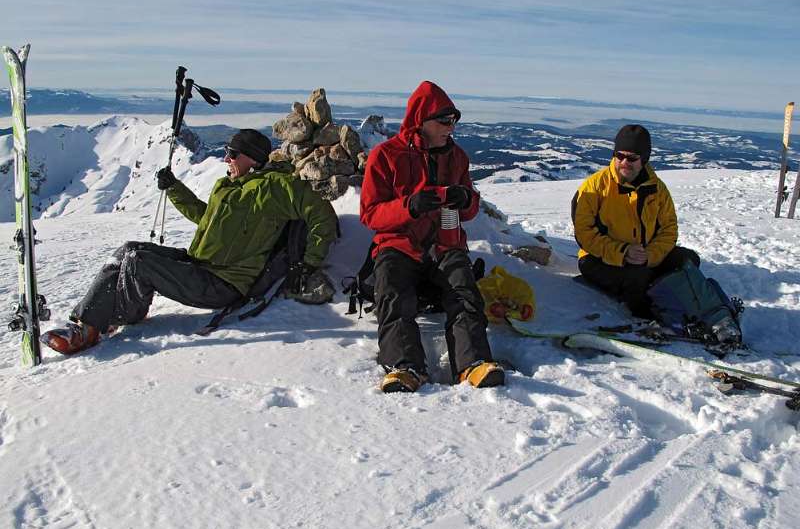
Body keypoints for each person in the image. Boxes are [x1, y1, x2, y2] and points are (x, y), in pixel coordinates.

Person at [43, 129, 338, 355]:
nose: (227, 159)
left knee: (139, 262)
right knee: (130, 250)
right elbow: (204, 217)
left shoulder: (274, 187)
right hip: (200, 266)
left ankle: (89, 330)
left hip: (222, 284)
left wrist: (309, 263)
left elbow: (321, 213)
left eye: (232, 153)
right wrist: (174, 189)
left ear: (252, 158)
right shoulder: (228, 185)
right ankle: (99, 318)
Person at [360, 80, 504, 393]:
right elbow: (370, 214)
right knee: (392, 292)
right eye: (443, 121)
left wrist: (467, 200)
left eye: (453, 121)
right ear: (420, 120)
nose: (450, 129)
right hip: (398, 245)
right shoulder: (385, 156)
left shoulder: (457, 157)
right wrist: (409, 206)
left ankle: (474, 364)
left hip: (445, 242)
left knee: (463, 290)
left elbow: (468, 210)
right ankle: (405, 366)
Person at [572, 124, 699, 319]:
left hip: (644, 257)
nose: (624, 162)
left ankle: (653, 287)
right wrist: (622, 252)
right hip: (598, 259)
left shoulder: (658, 189)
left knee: (688, 259)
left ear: (644, 159)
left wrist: (650, 255)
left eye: (632, 158)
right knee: (637, 277)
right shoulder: (594, 187)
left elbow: (669, 230)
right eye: (619, 155)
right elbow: (584, 234)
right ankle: (647, 317)